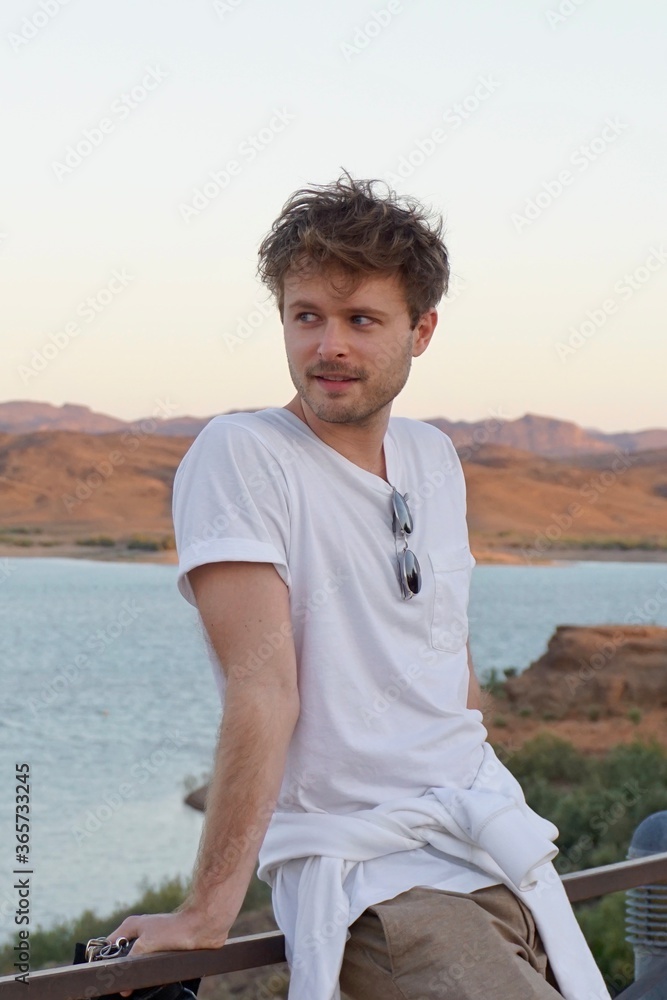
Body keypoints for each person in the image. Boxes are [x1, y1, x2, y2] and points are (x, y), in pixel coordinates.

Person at [108, 171, 609, 1000]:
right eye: (306, 316)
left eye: (360, 320)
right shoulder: (242, 456)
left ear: (422, 331)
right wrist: (205, 915)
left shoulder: (433, 457)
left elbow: (452, 664)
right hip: (383, 881)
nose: (328, 345)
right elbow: (263, 689)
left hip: (494, 846)